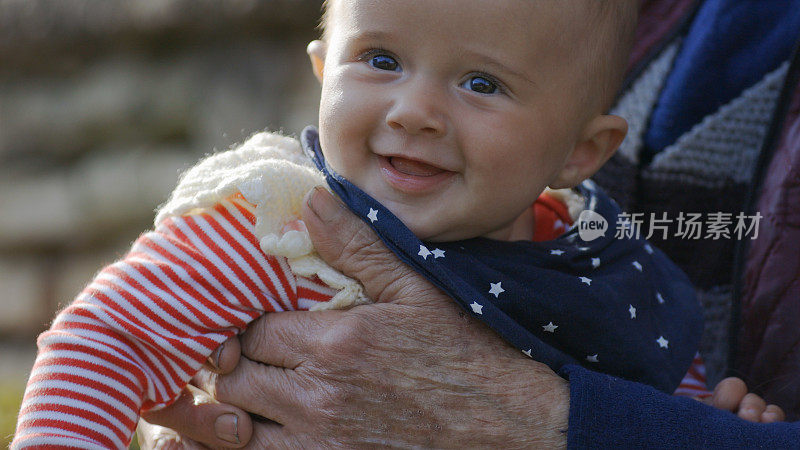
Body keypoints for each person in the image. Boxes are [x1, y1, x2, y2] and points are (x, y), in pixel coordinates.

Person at [11, 0, 785, 448]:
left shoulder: (602, 268)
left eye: (481, 83)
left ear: (583, 150)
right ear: (322, 71)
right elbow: (102, 345)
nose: (413, 111)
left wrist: (713, 421)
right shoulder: (283, 228)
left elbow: (652, 398)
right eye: (379, 60)